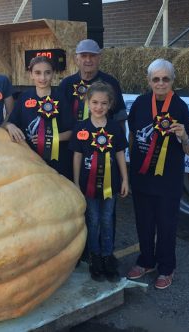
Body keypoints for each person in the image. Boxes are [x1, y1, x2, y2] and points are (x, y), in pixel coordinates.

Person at [127, 59, 189, 290]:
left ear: (172, 81)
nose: (160, 83)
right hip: (141, 177)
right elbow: (133, 135)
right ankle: (146, 261)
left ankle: (167, 268)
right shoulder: (139, 103)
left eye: (165, 79)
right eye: (156, 79)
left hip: (168, 182)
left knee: (166, 226)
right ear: (149, 81)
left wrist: (183, 135)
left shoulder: (179, 107)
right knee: (143, 223)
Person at [70, 81, 129, 282]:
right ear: (87, 102)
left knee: (106, 220)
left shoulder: (114, 128)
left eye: (104, 103)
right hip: (88, 187)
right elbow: (77, 156)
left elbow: (120, 154)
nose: (99, 107)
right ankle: (95, 258)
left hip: (110, 186)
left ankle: (107, 257)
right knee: (93, 221)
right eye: (94, 102)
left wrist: (125, 180)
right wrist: (76, 182)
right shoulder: (81, 128)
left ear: (110, 104)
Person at [4, 56, 73, 178]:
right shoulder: (24, 98)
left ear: (53, 74)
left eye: (47, 73)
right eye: (37, 73)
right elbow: (9, 122)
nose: (43, 78)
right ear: (30, 74)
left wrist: (52, 138)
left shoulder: (61, 98)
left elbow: (72, 132)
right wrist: (10, 125)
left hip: (58, 161)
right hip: (30, 159)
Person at [58, 38, 127, 124]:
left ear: (99, 58)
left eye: (92, 56)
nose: (88, 60)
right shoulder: (66, 84)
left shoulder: (111, 83)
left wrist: (120, 136)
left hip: (103, 135)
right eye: (84, 56)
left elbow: (120, 117)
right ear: (76, 59)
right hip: (72, 135)